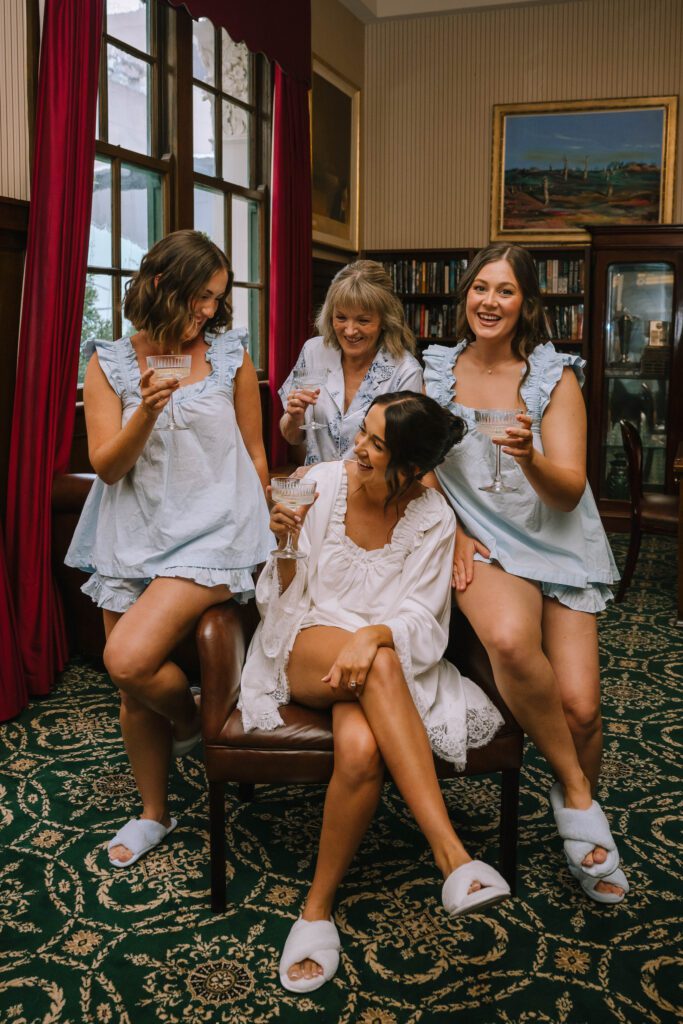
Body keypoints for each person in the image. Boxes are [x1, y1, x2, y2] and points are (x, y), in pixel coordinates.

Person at [239, 392, 509, 994]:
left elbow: (425, 618)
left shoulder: (433, 518)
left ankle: (315, 908)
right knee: (380, 662)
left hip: (381, 665)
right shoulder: (318, 485)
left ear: (411, 470)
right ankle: (452, 857)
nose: (357, 449)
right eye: (362, 433)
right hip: (303, 643)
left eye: (376, 445)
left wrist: (374, 635)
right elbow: (279, 602)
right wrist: (283, 542)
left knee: (361, 747)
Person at [423, 242, 629, 905]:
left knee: (582, 708)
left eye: (504, 291)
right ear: (464, 298)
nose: (488, 301)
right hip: (484, 542)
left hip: (557, 540)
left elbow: (567, 491)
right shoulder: (431, 374)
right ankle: (578, 802)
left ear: (526, 304)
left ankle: (575, 797)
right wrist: (451, 527)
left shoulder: (551, 379)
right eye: (479, 288)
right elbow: (415, 467)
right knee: (511, 642)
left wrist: (526, 456)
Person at [66, 229, 272, 869]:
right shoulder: (108, 362)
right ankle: (155, 810)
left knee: (126, 659)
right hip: (131, 530)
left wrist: (268, 529)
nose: (209, 311)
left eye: (217, 298)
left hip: (216, 531)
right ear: (160, 286)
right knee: (131, 690)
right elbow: (107, 467)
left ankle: (188, 723)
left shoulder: (230, 353)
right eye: (200, 297)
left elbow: (255, 450)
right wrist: (145, 413)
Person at [279, 260, 423, 466]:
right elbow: (292, 437)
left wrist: (332, 477)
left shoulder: (406, 372)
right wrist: (294, 418)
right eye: (341, 317)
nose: (349, 331)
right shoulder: (313, 352)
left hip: (371, 495)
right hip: (317, 493)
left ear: (385, 320)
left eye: (363, 320)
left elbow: (401, 459)